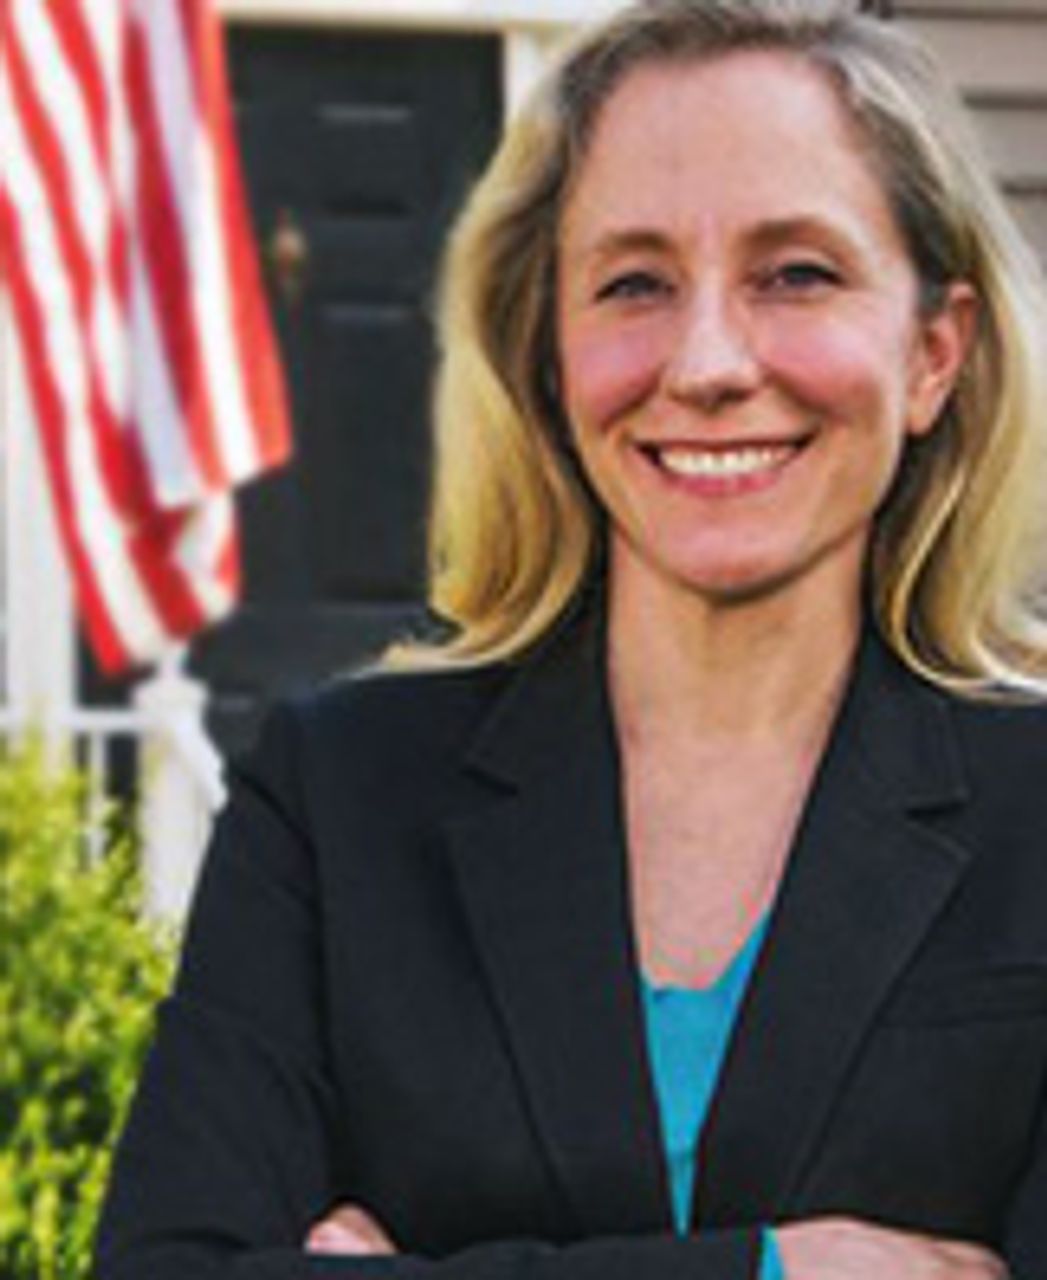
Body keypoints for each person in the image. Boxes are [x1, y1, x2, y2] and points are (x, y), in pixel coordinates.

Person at [96, 1, 1047, 1277]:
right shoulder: (340, 795)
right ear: (548, 355)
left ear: (933, 354)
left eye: (796, 274)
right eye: (634, 283)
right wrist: (768, 1267)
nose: (707, 363)